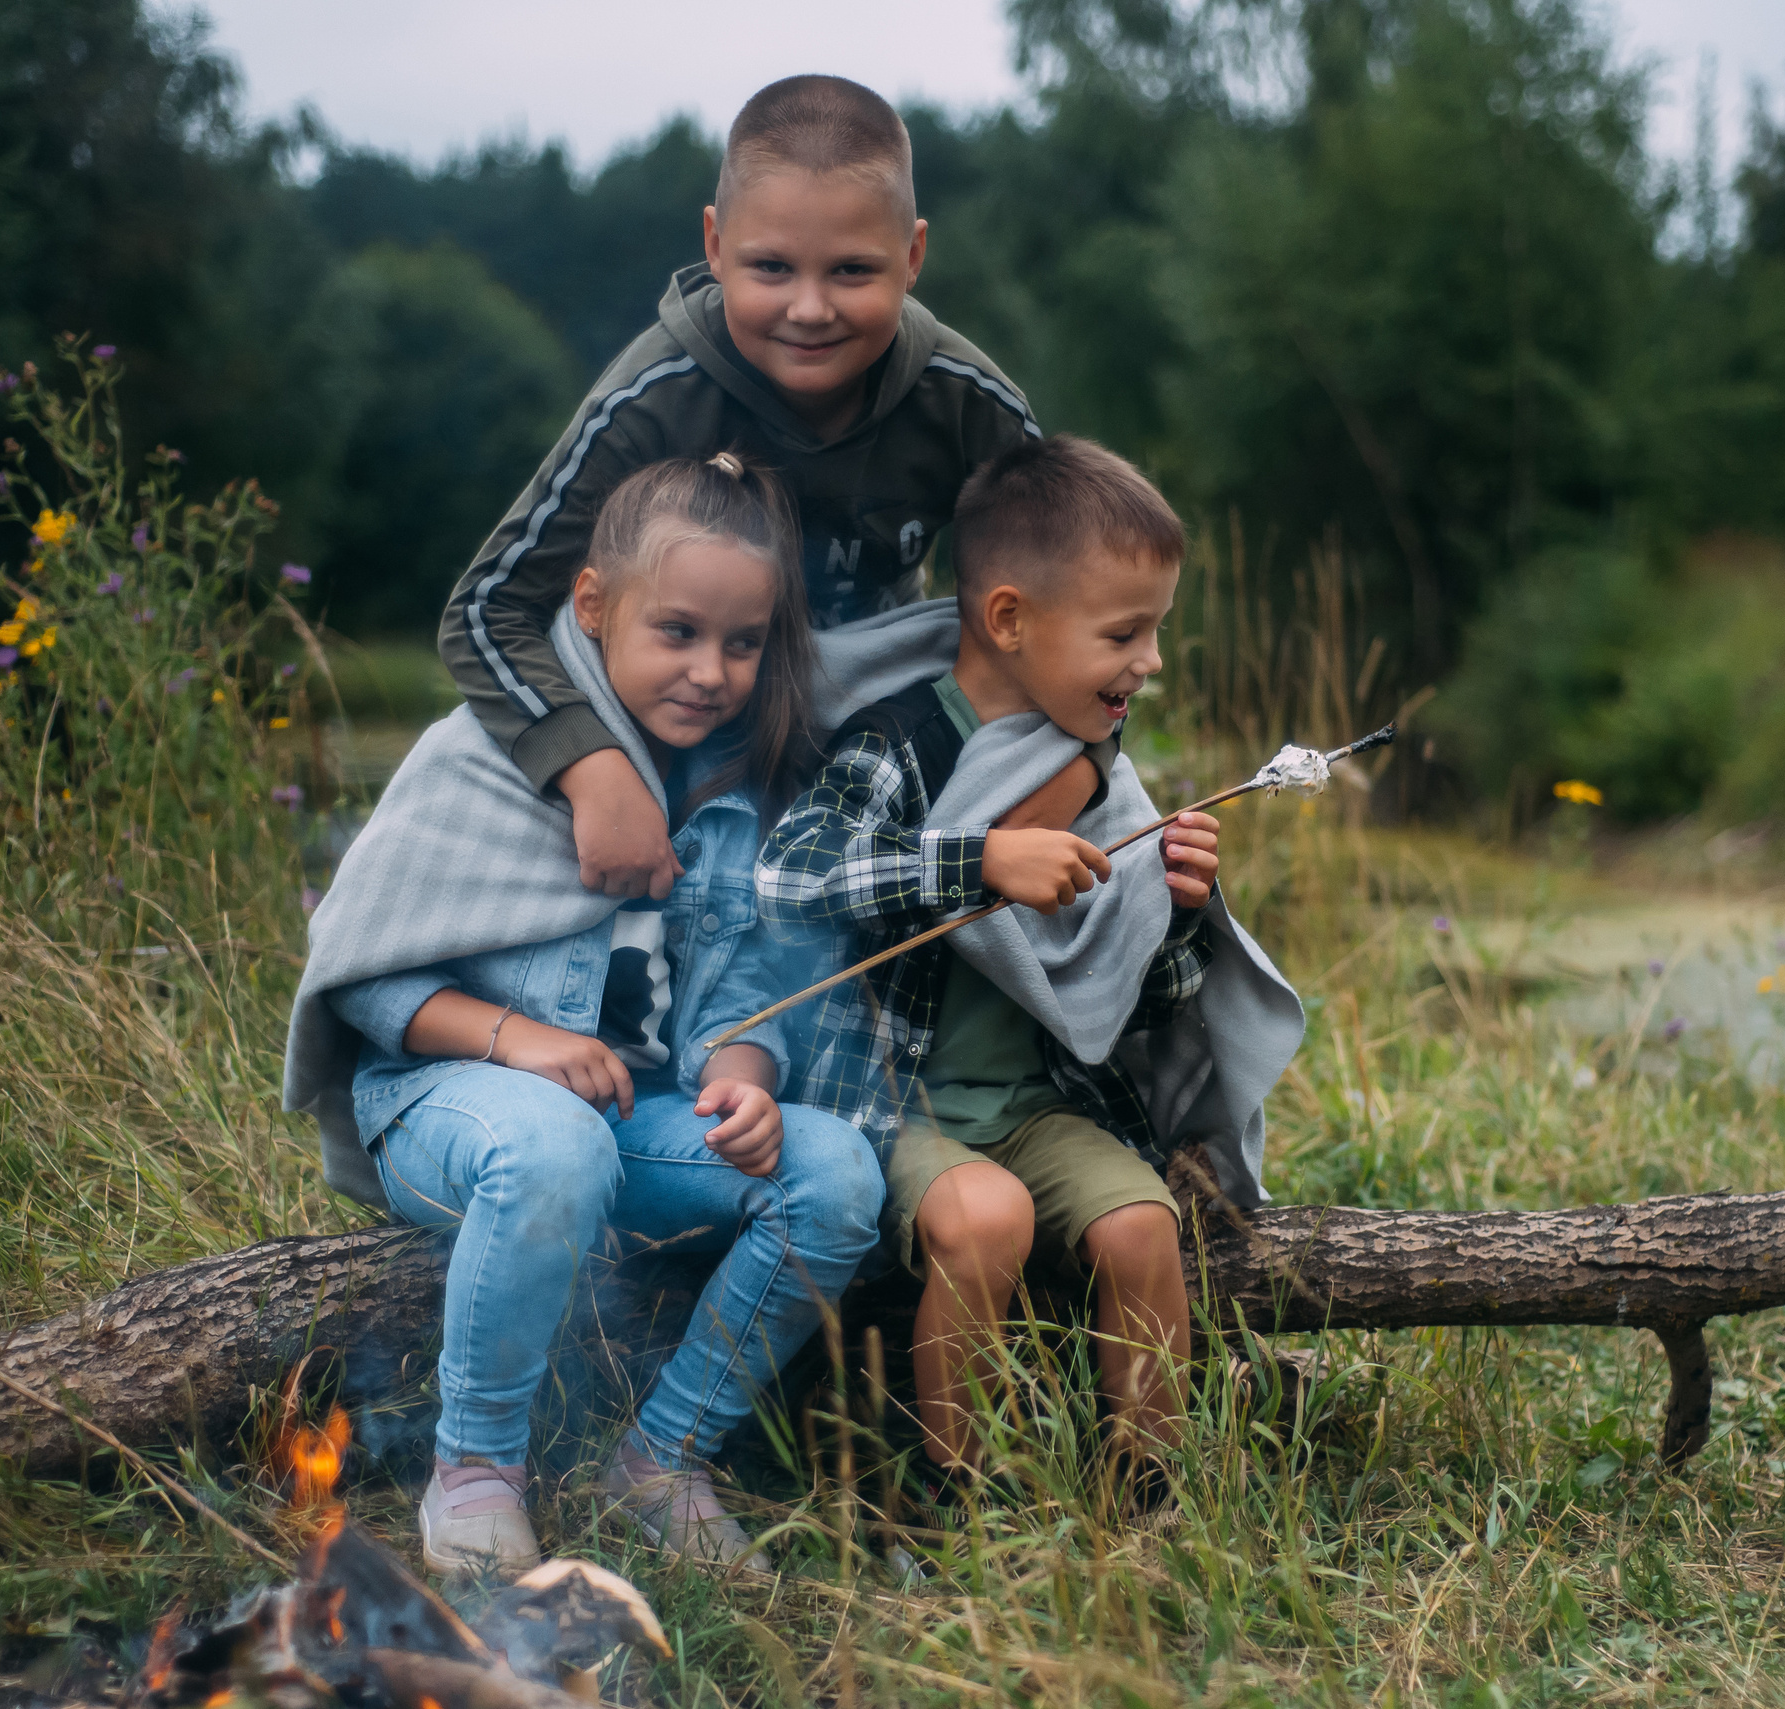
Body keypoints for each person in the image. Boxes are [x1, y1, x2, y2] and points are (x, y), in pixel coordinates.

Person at [283, 454, 883, 1578]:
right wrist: (524, 1041)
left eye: (742, 643)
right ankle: (474, 1469)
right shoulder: (479, 753)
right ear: (594, 605)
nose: (711, 671)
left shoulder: (737, 789)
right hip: (446, 1105)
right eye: (679, 631)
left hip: (629, 1123)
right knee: (547, 1136)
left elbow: (755, 983)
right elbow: (361, 976)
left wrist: (747, 1075)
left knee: (835, 1170)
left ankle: (661, 1458)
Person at [754, 434, 1261, 1506]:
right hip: (897, 1106)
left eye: (1157, 631)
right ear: (1008, 619)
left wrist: (1174, 915)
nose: (1151, 661)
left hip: (1040, 1103)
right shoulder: (897, 746)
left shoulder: (1101, 773)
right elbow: (788, 882)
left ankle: (1146, 1492)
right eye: (1125, 633)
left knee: (1139, 1224)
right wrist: (973, 858)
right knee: (985, 1218)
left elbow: (1143, 1002)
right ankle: (965, 1498)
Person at [440, 73, 1068, 908]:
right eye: (770, 267)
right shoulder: (650, 399)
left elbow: (1084, 609)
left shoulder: (968, 405)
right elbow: (489, 609)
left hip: (878, 730)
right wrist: (593, 768)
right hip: (684, 727)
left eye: (852, 270)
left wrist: (1064, 783)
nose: (809, 308)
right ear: (713, 243)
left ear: (913, 255)